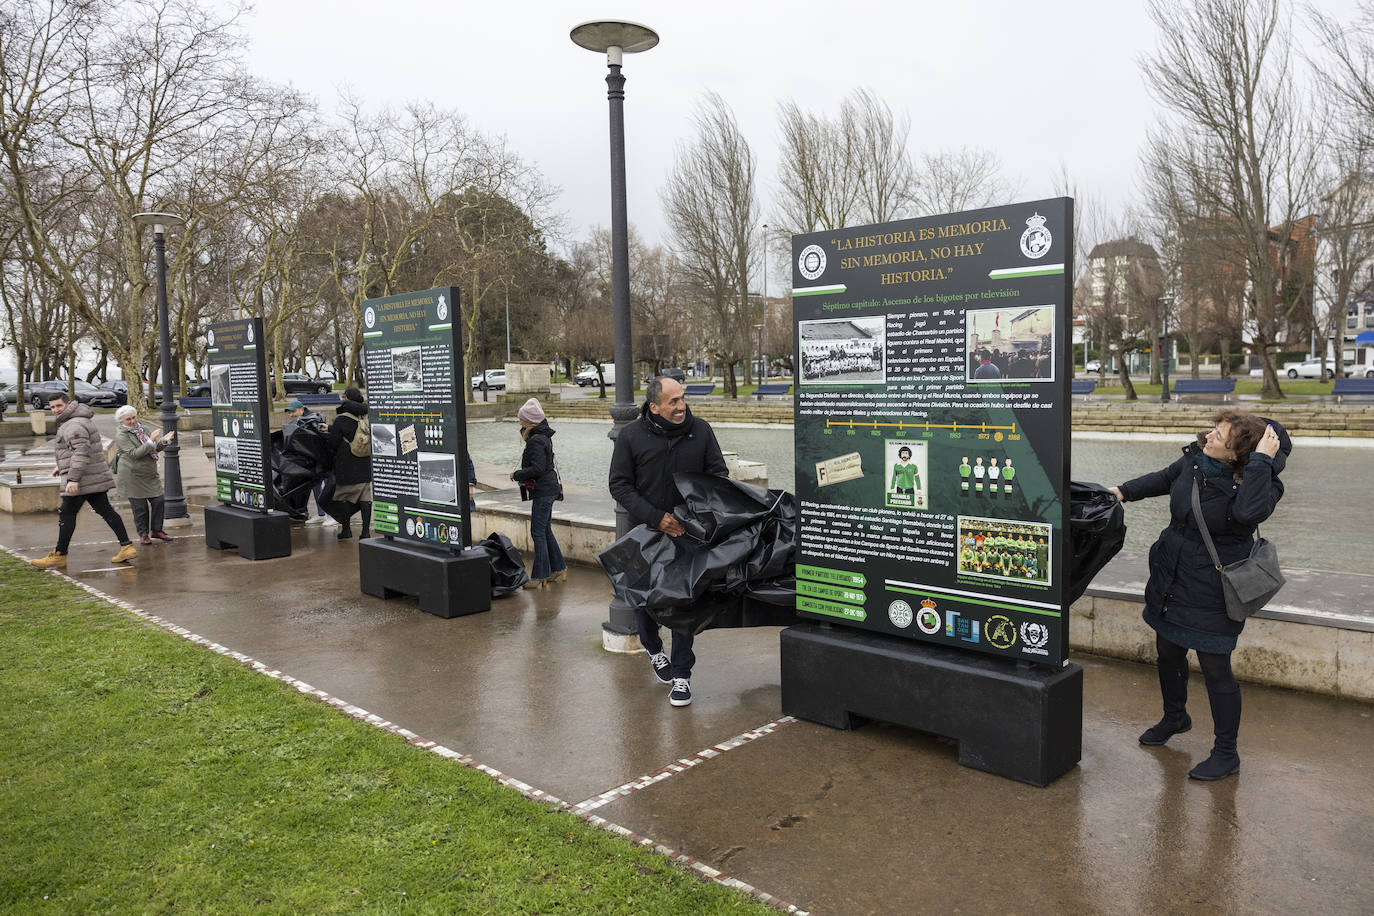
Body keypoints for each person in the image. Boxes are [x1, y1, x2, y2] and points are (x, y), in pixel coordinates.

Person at [1109, 410, 1288, 781]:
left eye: (1219, 437)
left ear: (1239, 454)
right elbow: (1163, 479)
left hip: (1215, 587)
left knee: (1216, 669)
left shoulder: (1260, 482)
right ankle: (1175, 717)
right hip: (1172, 573)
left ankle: (1226, 753)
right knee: (1168, 651)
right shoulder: (1195, 460)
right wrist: (1122, 492)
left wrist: (1260, 463)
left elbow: (1248, 513)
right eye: (1213, 430)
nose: (1209, 436)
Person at [609, 376, 728, 708]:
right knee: (642, 599)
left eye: (683, 399)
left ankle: (682, 674)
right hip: (643, 532)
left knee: (683, 602)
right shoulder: (631, 436)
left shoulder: (701, 431)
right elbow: (619, 485)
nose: (681, 406)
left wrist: (694, 515)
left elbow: (718, 475)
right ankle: (652, 648)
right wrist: (655, 516)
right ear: (654, 406)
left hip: (687, 534)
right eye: (673, 401)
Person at [31, 392, 137, 569]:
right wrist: (62, 467)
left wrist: (72, 478)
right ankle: (126, 546)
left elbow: (81, 452)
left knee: (67, 513)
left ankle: (59, 554)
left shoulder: (74, 424)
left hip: (83, 479)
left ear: (68, 404)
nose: (55, 410)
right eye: (52, 407)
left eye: (59, 406)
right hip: (92, 476)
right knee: (106, 511)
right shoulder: (76, 419)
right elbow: (77, 450)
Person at [510, 397, 566, 588]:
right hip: (549, 489)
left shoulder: (536, 440)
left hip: (543, 490)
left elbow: (538, 469)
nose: (519, 423)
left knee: (537, 533)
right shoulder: (543, 436)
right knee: (545, 530)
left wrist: (516, 474)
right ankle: (558, 568)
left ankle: (539, 576)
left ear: (529, 421)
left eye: (521, 420)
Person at [112, 404, 176, 544]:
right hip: (132, 474)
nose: (133, 421)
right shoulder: (121, 435)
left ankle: (157, 530)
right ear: (121, 422)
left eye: (134, 417)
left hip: (148, 473)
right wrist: (151, 440)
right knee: (140, 508)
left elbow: (152, 449)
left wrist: (164, 441)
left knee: (159, 501)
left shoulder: (143, 429)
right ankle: (143, 535)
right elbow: (136, 454)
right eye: (128, 419)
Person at [326, 387, 371, 540]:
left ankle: (346, 530)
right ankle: (365, 532)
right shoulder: (366, 415)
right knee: (366, 499)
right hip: (365, 463)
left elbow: (333, 443)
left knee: (343, 498)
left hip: (346, 466)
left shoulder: (341, 418)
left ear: (347, 399)